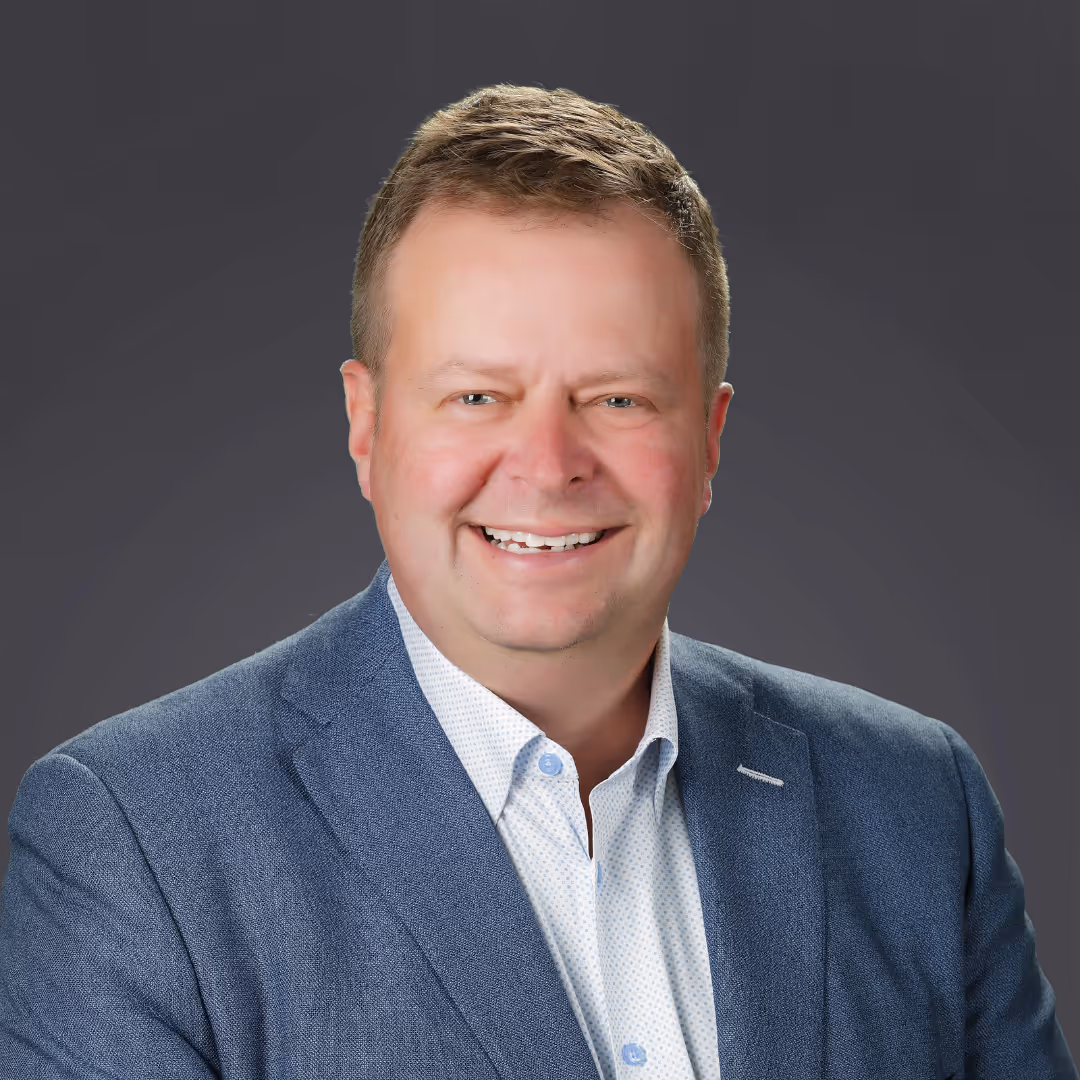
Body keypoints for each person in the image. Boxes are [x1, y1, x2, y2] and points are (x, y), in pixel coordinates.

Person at [0, 84, 1073, 1080]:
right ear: (365, 426)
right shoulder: (136, 842)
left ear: (709, 438)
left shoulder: (917, 807)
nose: (548, 463)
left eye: (615, 400)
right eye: (476, 397)